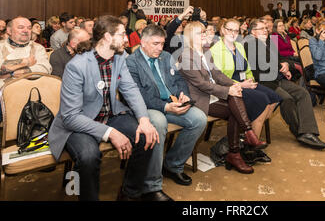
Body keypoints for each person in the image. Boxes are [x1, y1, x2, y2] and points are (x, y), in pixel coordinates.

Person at [48, 15, 163, 201]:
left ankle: (129, 193)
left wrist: (144, 119)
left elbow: (131, 90)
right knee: (88, 156)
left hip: (109, 113)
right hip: (80, 122)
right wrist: (111, 132)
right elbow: (70, 116)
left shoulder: (118, 58)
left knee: (147, 135)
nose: (127, 39)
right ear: (107, 37)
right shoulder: (76, 66)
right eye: (122, 34)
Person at [126, 24, 206, 189]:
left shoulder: (166, 56)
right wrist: (166, 106)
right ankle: (152, 182)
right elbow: (139, 95)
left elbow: (179, 80)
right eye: (155, 44)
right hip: (148, 106)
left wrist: (184, 95)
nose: (160, 48)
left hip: (173, 101)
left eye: (162, 43)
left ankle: (172, 164)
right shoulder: (131, 62)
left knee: (199, 118)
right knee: (159, 121)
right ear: (143, 42)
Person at [179, 22, 266, 174]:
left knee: (235, 101)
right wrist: (229, 90)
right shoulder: (186, 56)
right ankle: (243, 141)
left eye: (205, 31)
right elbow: (202, 84)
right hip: (201, 99)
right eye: (201, 33)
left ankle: (238, 148)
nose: (205, 35)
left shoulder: (205, 51)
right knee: (234, 101)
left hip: (213, 94)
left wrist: (235, 84)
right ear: (191, 37)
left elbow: (218, 75)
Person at [245, 19, 325, 149]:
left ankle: (308, 131)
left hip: (277, 78)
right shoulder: (249, 44)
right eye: (262, 29)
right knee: (286, 99)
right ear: (253, 32)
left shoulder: (269, 41)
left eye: (266, 28)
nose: (265, 31)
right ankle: (300, 132)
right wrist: (281, 67)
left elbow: (280, 58)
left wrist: (286, 65)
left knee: (302, 93)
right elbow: (262, 65)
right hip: (263, 82)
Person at [210, 19, 281, 158]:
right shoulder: (216, 50)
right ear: (223, 30)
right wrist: (241, 85)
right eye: (230, 30)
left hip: (245, 82)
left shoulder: (239, 46)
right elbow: (219, 78)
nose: (233, 33)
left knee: (275, 98)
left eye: (236, 30)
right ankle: (251, 148)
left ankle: (250, 135)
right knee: (263, 100)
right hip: (231, 87)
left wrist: (251, 81)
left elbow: (247, 68)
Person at [0, 17, 52, 88]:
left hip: (31, 91)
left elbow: (45, 68)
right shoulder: (1, 46)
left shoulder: (38, 48)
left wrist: (12, 73)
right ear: (9, 31)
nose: (26, 30)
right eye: (21, 27)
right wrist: (26, 62)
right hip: (3, 91)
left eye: (29, 28)